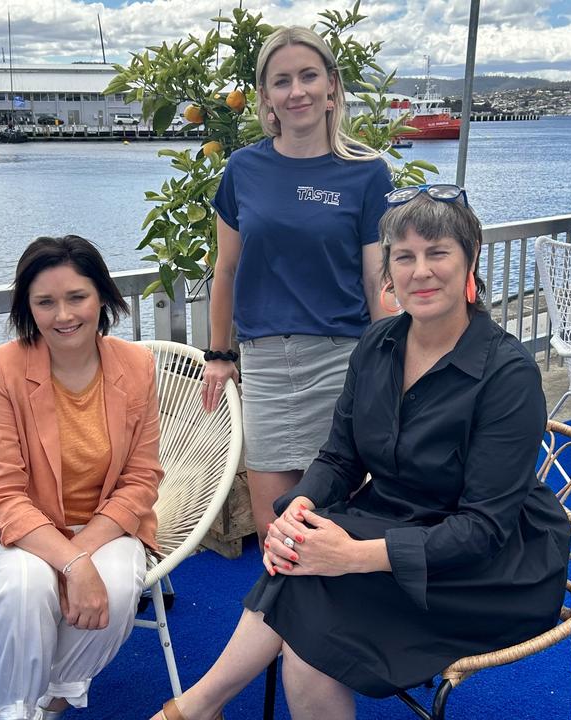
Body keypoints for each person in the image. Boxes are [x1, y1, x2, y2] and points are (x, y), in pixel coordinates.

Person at [153, 187, 571, 720]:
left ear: (470, 261)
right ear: (388, 274)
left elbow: (484, 529)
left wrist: (352, 556)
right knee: (303, 582)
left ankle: (193, 709)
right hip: (398, 521)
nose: (421, 271)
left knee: (307, 595)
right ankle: (196, 709)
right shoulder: (377, 346)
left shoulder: (506, 374)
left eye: (438, 252)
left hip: (491, 566)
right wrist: (299, 508)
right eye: (404, 256)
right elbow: (340, 459)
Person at [201, 26, 395, 547]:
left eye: (309, 76)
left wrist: (391, 364)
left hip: (341, 362)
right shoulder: (243, 169)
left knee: (337, 521)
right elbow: (226, 270)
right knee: (273, 531)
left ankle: (331, 628)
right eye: (282, 81)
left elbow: (377, 278)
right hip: (264, 365)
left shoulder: (368, 172)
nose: (297, 91)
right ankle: (287, 629)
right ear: (265, 97)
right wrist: (219, 354)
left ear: (332, 86)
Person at [0, 235, 163, 720]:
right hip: (16, 528)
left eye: (77, 297)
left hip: (105, 524)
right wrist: (71, 564)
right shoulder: (2, 369)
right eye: (45, 302)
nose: (63, 315)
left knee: (114, 591)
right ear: (28, 308)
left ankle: (50, 701)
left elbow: (141, 479)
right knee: (26, 586)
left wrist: (82, 554)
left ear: (102, 297)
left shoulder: (136, 366)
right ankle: (13, 712)